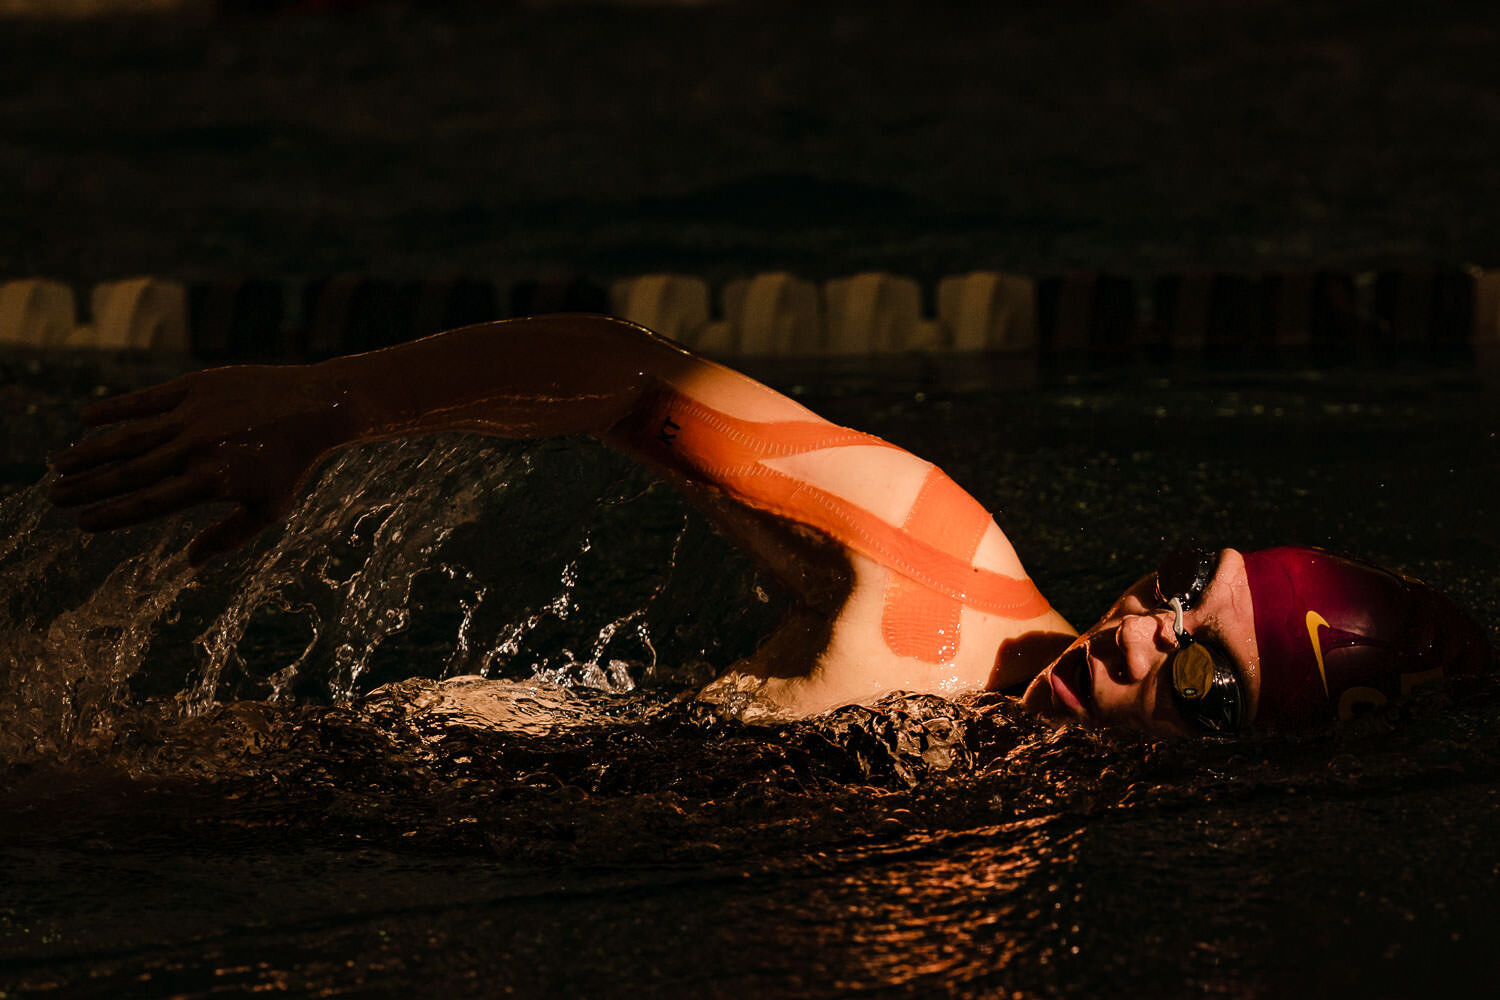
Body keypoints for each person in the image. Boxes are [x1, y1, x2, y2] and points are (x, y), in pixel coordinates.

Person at [47, 314, 1492, 734]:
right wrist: (333, 403)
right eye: (1186, 585)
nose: (1139, 634)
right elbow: (630, 376)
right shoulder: (933, 563)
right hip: (350, 788)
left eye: (1202, 676)